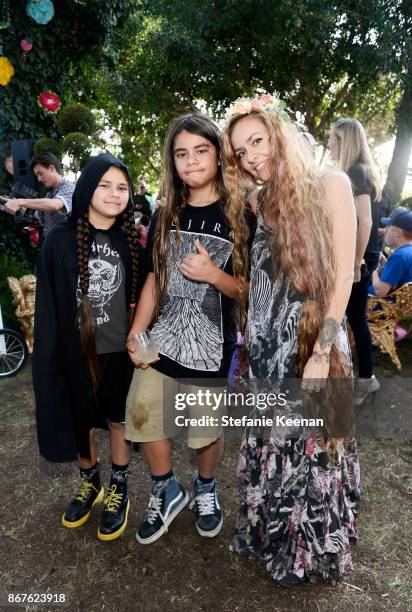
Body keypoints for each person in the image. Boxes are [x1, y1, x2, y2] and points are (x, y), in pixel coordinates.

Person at [222, 94, 359, 586]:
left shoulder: (332, 184)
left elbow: (344, 277)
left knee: (312, 449)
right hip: (265, 354)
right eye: (240, 151)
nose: (250, 155)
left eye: (256, 140)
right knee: (272, 446)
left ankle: (311, 551)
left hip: (310, 347)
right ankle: (270, 535)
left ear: (279, 132)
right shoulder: (256, 201)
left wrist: (322, 353)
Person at [124, 112, 251, 545]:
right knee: (143, 413)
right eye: (181, 154)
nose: (192, 161)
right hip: (162, 338)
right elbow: (156, 277)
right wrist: (138, 330)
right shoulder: (166, 212)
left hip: (211, 346)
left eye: (201, 151)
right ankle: (166, 488)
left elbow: (252, 290)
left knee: (204, 429)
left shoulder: (240, 214)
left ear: (218, 154)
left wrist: (214, 275)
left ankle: (206, 486)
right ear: (172, 162)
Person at [32, 153, 143, 541]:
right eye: (105, 185)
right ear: (86, 188)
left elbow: (145, 295)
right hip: (75, 352)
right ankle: (90, 481)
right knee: (80, 419)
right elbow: (47, 304)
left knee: (117, 419)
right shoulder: (58, 240)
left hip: (118, 353)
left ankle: (119, 486)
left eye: (122, 188)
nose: (114, 194)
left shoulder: (129, 242)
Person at [329, 118, 382, 405]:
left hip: (358, 257)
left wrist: (355, 262)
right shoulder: (355, 171)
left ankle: (364, 381)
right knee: (352, 317)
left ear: (345, 140)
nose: (329, 144)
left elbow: (366, 221)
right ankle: (362, 378)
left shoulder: (356, 172)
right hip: (357, 255)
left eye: (332, 139)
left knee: (353, 318)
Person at [3, 152, 74, 236]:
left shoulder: (69, 188)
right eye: (37, 175)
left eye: (40, 173)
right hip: (52, 246)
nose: (39, 179)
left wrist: (19, 202)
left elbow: (54, 205)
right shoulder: (49, 194)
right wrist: (14, 205)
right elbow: (38, 216)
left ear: (51, 168)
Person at [369, 207, 412, 297]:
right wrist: (385, 263)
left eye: (388, 227)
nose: (384, 230)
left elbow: (380, 291)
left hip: (377, 307)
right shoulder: (409, 252)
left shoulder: (400, 256)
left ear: (397, 232)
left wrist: (374, 271)